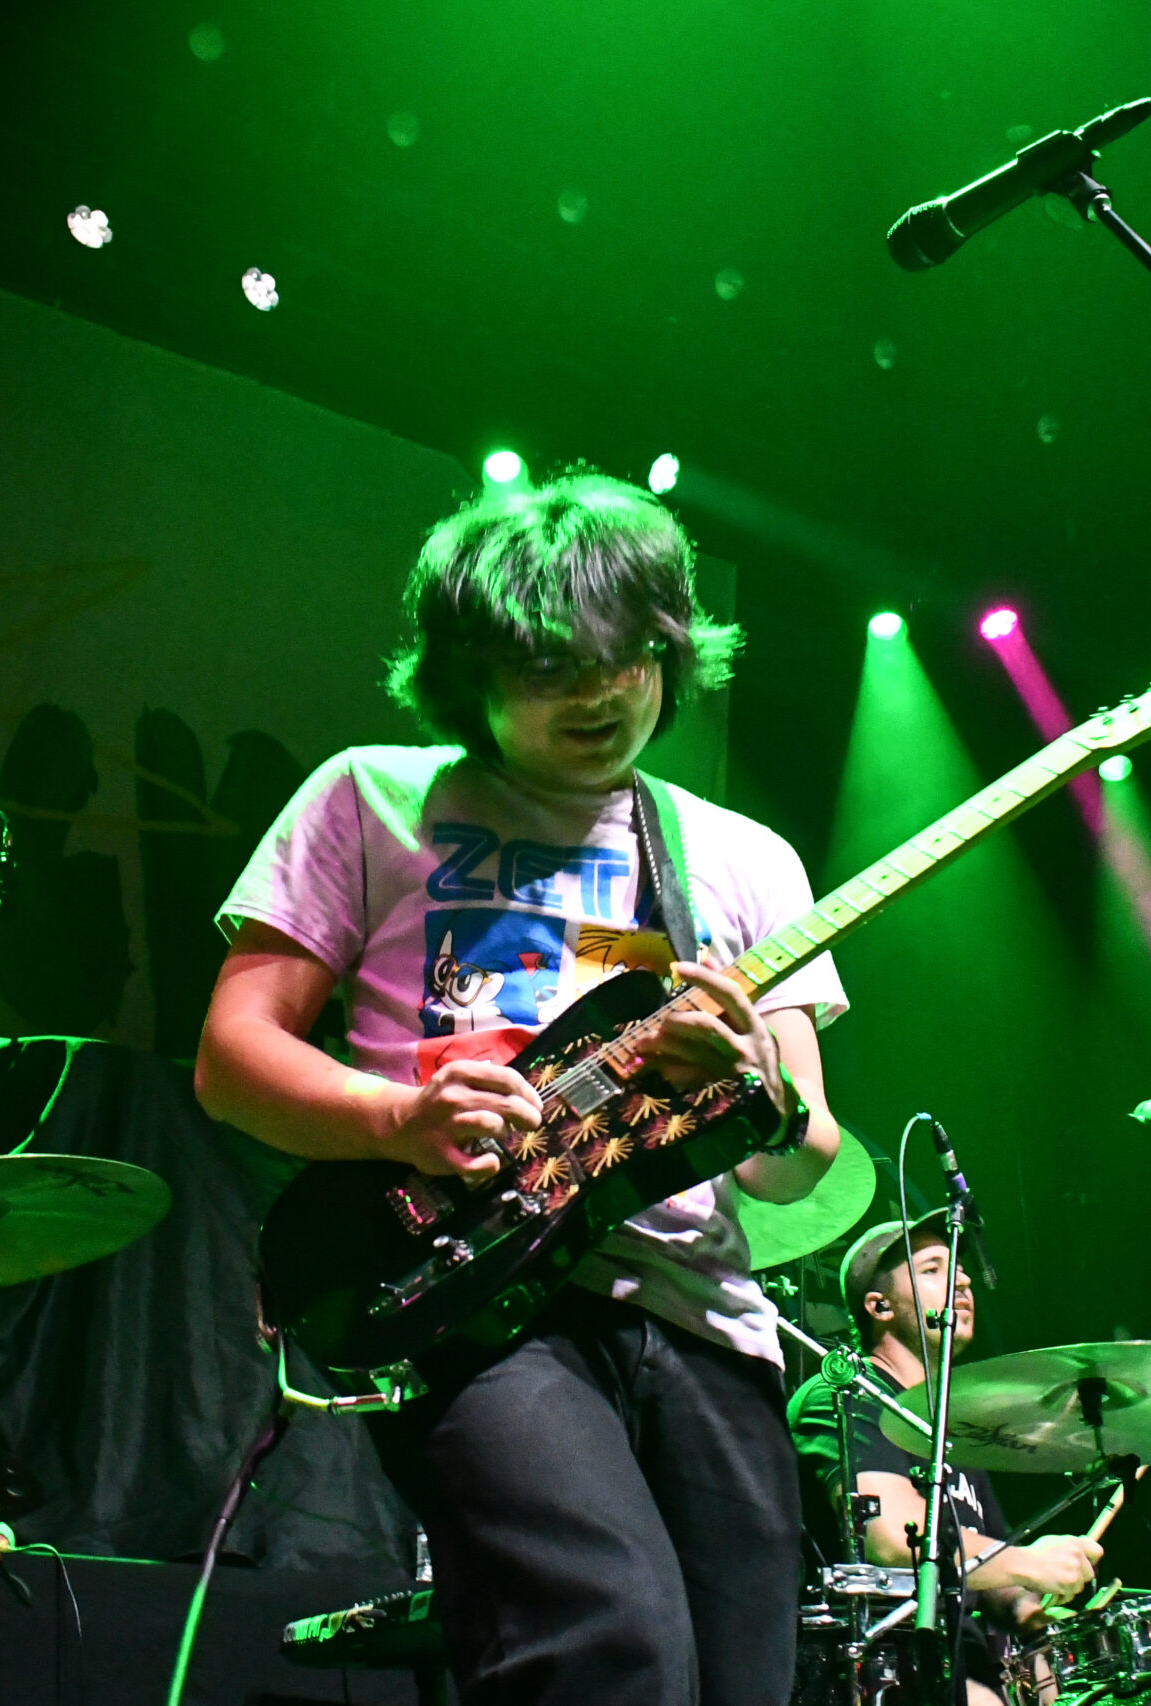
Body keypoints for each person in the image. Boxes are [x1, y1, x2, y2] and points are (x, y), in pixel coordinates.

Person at [196, 471, 846, 1706]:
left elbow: (800, 1157)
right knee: (609, 1647)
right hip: (480, 1296)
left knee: (742, 1681)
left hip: (700, 1312)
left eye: (629, 656)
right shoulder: (371, 795)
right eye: (551, 666)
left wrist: (753, 1082)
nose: (599, 693)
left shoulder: (742, 857)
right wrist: (397, 1116)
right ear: (470, 674)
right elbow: (233, 1056)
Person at [786, 1217, 1103, 1705]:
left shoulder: (951, 1427)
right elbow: (894, 1537)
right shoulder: (847, 1394)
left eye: (959, 1266)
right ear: (880, 1305)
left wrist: (1036, 1614)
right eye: (934, 1268)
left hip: (966, 1670)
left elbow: (995, 1577)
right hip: (880, 1672)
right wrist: (1027, 1561)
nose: (963, 1279)